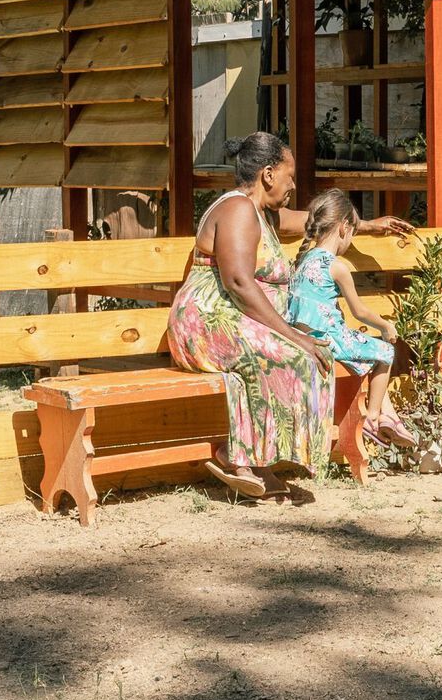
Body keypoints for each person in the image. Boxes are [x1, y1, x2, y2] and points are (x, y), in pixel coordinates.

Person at [166, 131, 414, 499]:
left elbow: (310, 222)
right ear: (268, 173)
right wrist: (292, 333)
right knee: (295, 352)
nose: (293, 185)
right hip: (206, 321)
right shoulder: (237, 210)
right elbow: (237, 281)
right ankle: (239, 456)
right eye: (290, 175)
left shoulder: (262, 214)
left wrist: (362, 225)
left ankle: (252, 459)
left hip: (236, 319)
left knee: (311, 352)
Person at [286, 188, 418, 450]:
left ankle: (387, 416)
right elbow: (360, 311)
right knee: (384, 351)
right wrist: (385, 325)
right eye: (353, 233)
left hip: (304, 338)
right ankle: (372, 417)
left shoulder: (303, 261)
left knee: (365, 353)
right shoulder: (336, 266)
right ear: (344, 228)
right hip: (328, 341)